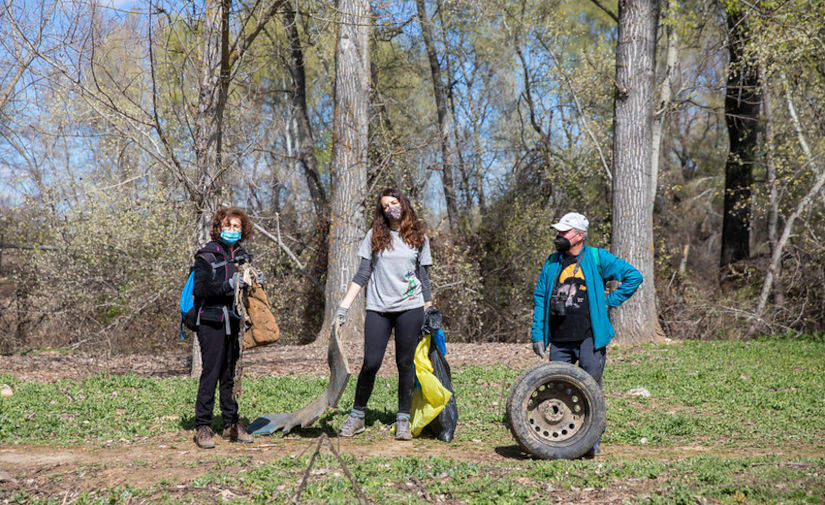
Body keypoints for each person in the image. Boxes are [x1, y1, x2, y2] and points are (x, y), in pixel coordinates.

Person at [530, 212, 642, 458]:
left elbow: (634, 277)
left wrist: (610, 301)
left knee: (590, 389)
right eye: (558, 231)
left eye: (564, 232)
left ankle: (591, 441)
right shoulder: (552, 262)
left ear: (579, 235)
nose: (559, 236)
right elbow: (540, 297)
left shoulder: (597, 257)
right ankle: (565, 439)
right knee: (559, 389)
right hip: (559, 339)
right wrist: (538, 334)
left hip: (590, 338)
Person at [334, 188, 434, 440]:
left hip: (410, 307)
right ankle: (357, 416)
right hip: (378, 308)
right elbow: (362, 274)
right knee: (371, 362)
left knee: (405, 364)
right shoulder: (374, 235)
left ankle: (403, 419)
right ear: (382, 211)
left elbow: (423, 276)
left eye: (394, 202)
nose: (391, 208)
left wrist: (428, 306)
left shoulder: (419, 237)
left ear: (403, 203)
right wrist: (344, 307)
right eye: (385, 206)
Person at [192, 206, 259, 449]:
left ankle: (231, 423)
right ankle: (203, 425)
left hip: (234, 321)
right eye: (227, 226)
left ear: (243, 230)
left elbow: (247, 292)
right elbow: (201, 289)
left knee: (231, 372)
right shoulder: (206, 255)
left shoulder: (243, 256)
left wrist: (253, 281)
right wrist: (230, 283)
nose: (231, 230)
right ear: (219, 228)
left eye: (236, 227)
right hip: (210, 320)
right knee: (212, 371)